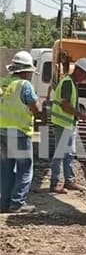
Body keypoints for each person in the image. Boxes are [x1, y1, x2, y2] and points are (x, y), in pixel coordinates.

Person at [0, 51, 41, 213]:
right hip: (19, 134)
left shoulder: (3, 83)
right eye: (30, 72)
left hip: (1, 133)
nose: (31, 75)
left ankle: (4, 203)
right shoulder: (25, 85)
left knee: (5, 169)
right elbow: (36, 109)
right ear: (25, 71)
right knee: (25, 168)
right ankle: (17, 203)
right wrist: (41, 110)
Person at [49, 57, 86, 194]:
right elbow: (65, 105)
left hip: (68, 124)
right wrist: (80, 114)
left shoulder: (72, 83)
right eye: (85, 75)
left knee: (68, 154)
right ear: (78, 70)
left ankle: (69, 181)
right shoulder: (68, 83)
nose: (85, 78)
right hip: (62, 124)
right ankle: (55, 182)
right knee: (60, 153)